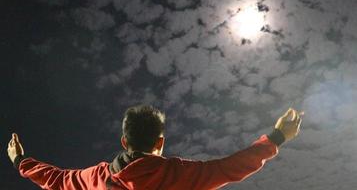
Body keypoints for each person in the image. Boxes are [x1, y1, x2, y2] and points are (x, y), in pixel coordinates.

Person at [7, 105, 303, 190]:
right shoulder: (179, 175)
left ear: (124, 141)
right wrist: (276, 137)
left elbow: (55, 178)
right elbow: (230, 167)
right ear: (160, 142)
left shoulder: (93, 179)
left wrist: (20, 159)